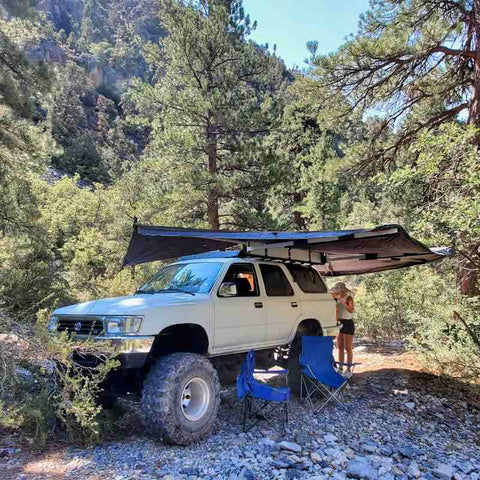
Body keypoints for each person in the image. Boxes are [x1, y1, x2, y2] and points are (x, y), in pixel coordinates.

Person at [330, 281, 355, 375]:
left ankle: (348, 370)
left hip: (348, 322)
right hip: (339, 322)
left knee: (348, 348)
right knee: (340, 347)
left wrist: (341, 299)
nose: (337, 292)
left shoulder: (348, 298)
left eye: (338, 290)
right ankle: (340, 368)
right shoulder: (336, 298)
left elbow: (351, 309)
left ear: (342, 290)